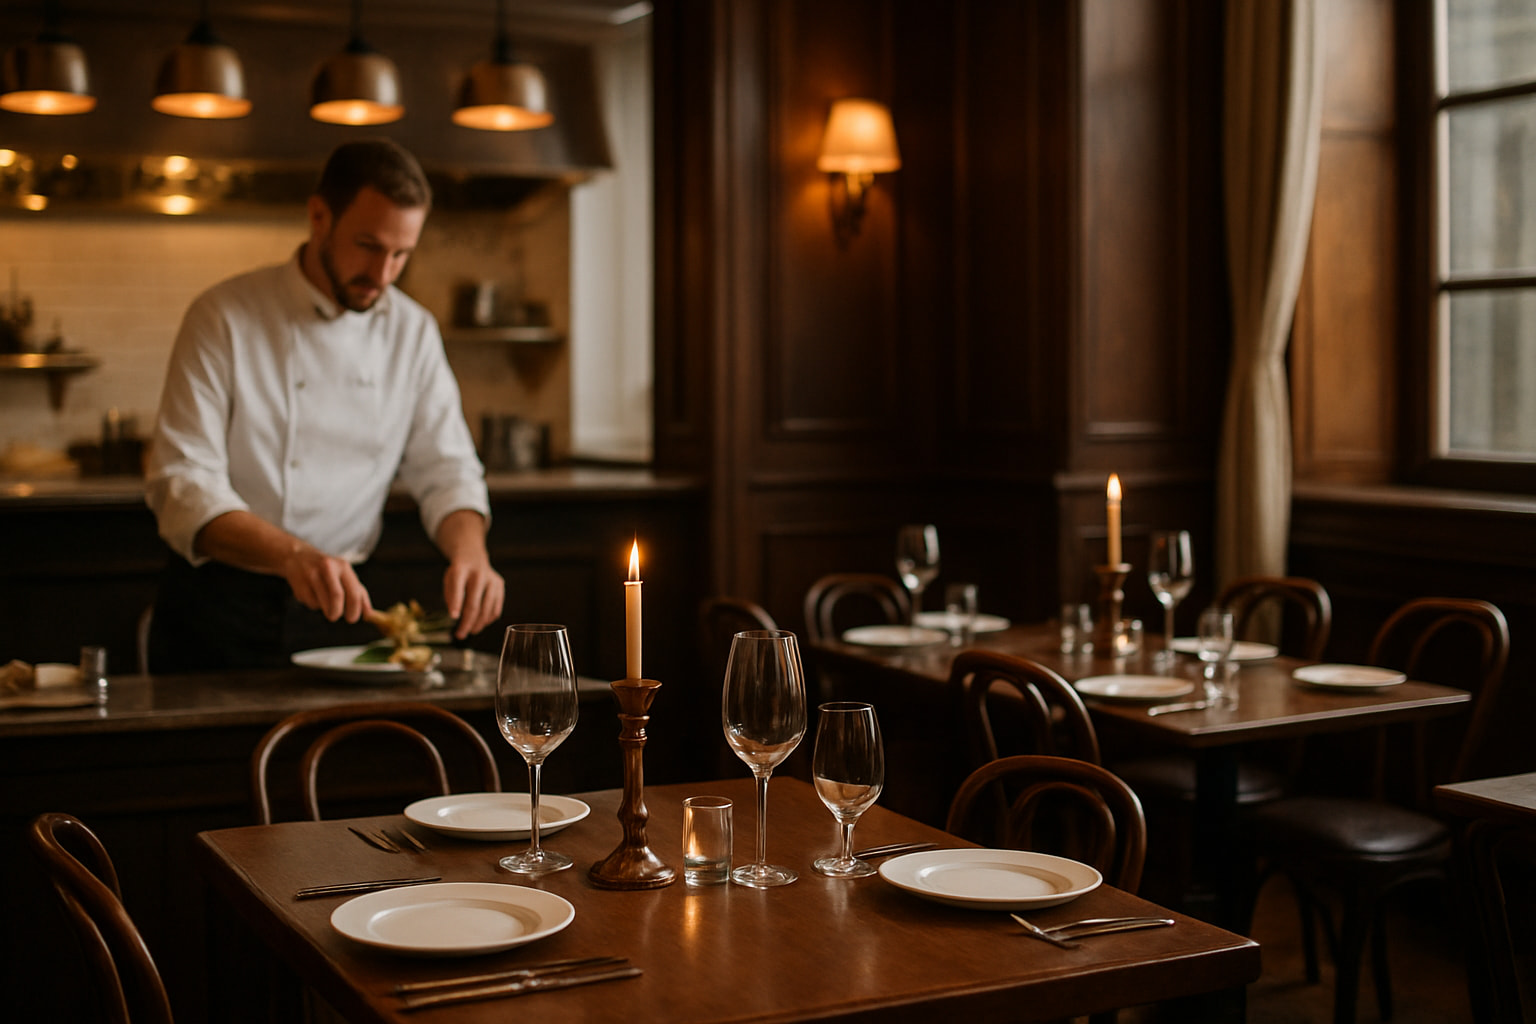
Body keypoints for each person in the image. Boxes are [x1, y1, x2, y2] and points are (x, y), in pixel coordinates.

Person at [144, 138, 504, 671]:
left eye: (401, 254)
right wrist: (293, 556)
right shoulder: (223, 316)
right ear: (319, 216)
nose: (383, 273)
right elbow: (183, 484)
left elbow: (446, 469)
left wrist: (471, 553)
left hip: (342, 612)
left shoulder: (413, 332)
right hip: (219, 609)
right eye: (368, 245)